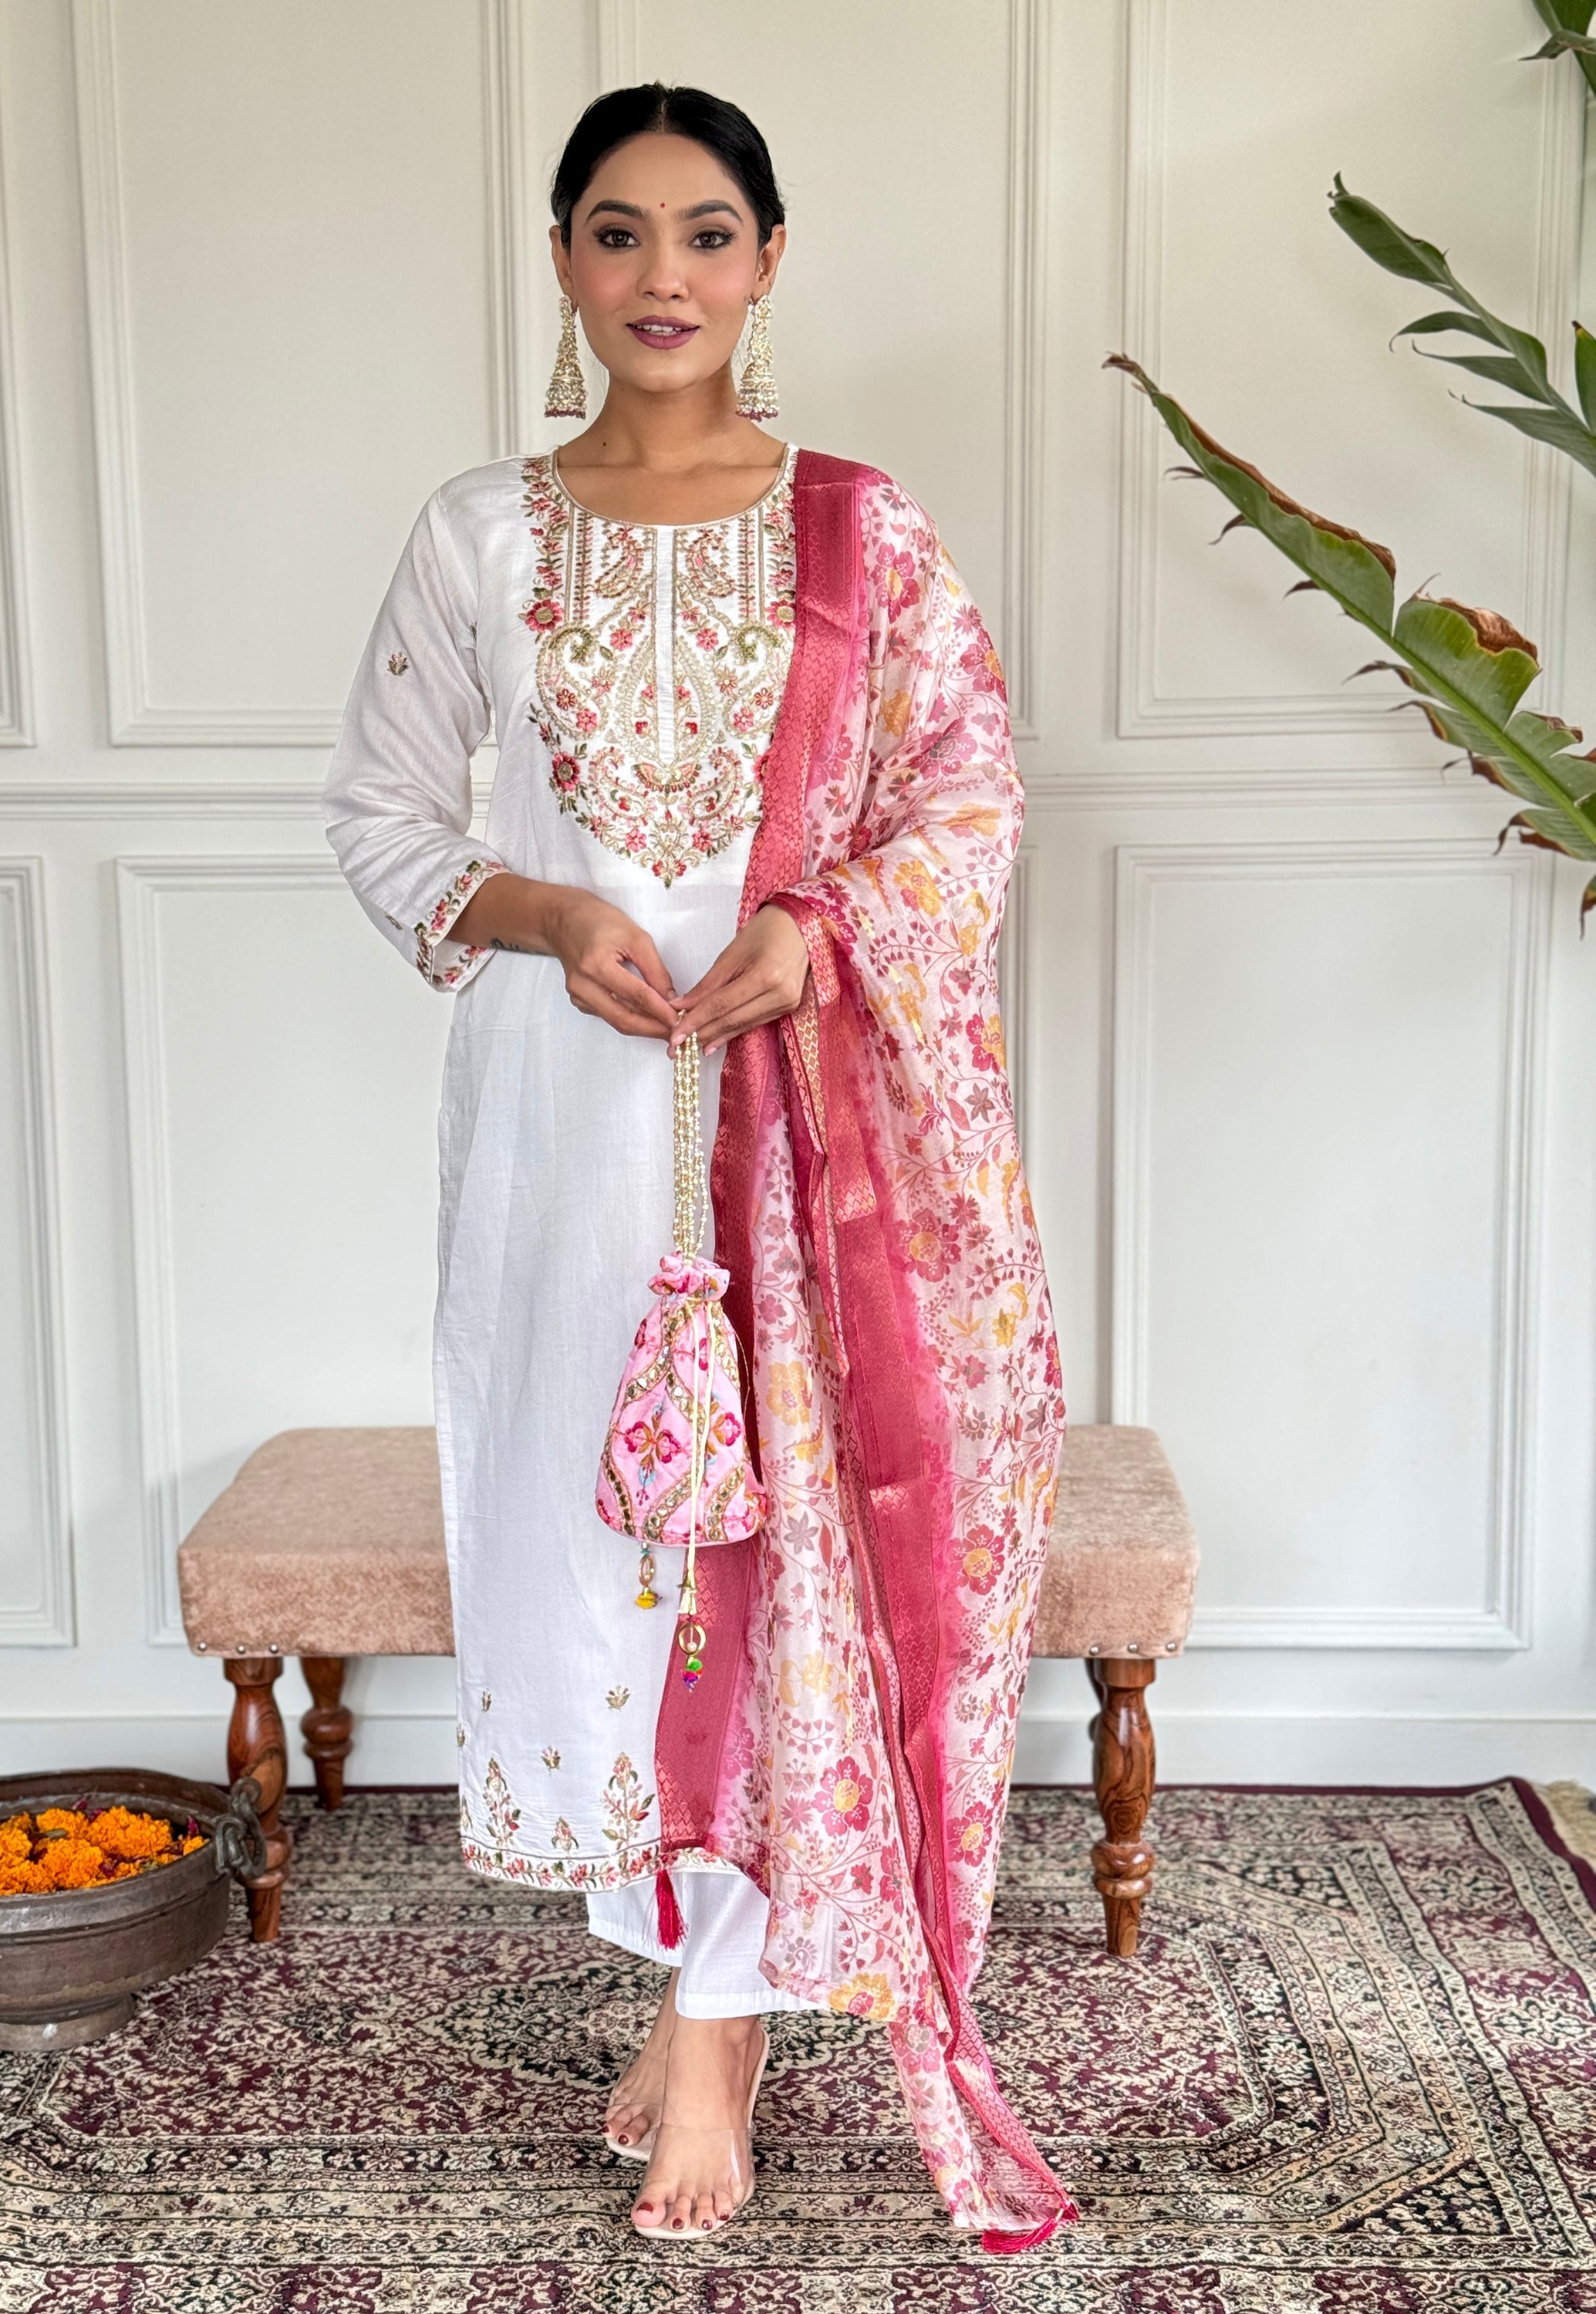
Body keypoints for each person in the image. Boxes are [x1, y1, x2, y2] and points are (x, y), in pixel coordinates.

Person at [322, 83, 1074, 2253]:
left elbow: (966, 798)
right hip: (562, 1128)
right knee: (605, 1543)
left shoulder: (863, 528)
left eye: (709, 231)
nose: (665, 274)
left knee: (779, 1552)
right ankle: (682, 1973)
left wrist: (813, 936)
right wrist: (549, 914)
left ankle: (719, 2035)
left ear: (767, 259)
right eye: (621, 231)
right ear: (564, 259)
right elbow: (381, 815)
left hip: (802, 1113)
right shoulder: (479, 531)